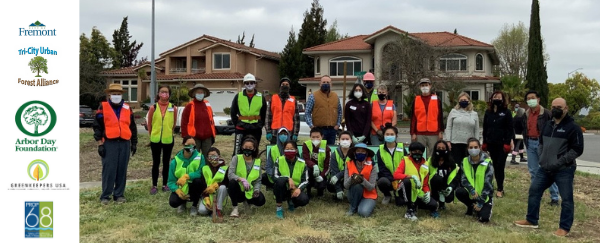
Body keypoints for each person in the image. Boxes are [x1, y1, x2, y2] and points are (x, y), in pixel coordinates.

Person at [514, 98, 584, 237]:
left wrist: (560, 161)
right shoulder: (547, 125)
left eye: (559, 106)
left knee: (566, 199)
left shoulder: (573, 128)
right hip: (545, 168)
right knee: (534, 191)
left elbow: (577, 149)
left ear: (566, 108)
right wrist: (541, 157)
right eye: (553, 107)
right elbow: (541, 143)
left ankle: (564, 228)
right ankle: (531, 220)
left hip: (564, 170)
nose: (555, 109)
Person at [93, 83, 138, 205]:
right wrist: (100, 144)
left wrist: (134, 143)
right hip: (109, 142)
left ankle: (119, 195)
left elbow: (132, 127)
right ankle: (105, 195)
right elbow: (97, 126)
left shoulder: (127, 108)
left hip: (124, 143)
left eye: (118, 94)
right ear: (109, 94)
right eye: (114, 94)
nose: (116, 96)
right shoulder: (103, 107)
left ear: (121, 95)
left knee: (122, 169)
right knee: (109, 170)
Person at [522, 90, 559, 205]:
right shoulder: (526, 114)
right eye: (528, 98)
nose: (530, 100)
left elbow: (553, 128)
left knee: (548, 170)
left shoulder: (546, 113)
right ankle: (536, 195)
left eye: (532, 97)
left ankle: (555, 197)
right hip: (530, 143)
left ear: (538, 99)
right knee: (533, 171)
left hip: (542, 144)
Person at [393, 142, 439, 220]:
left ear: (422, 152)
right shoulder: (405, 160)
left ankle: (416, 204)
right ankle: (410, 210)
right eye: (414, 151)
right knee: (406, 182)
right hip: (405, 189)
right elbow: (396, 175)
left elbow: (425, 183)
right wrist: (411, 176)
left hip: (418, 191)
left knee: (434, 204)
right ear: (410, 152)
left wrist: (427, 192)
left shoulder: (425, 164)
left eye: (419, 151)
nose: (417, 153)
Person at [482, 91, 514, 198]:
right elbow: (485, 128)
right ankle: (490, 186)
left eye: (499, 97)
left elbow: (510, 129)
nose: (497, 99)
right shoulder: (488, 112)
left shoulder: (506, 112)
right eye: (495, 97)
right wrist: (484, 142)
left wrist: (507, 142)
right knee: (493, 166)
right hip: (491, 143)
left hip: (502, 144)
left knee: (500, 166)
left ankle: (500, 188)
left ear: (503, 99)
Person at [456, 138, 494, 223]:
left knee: (484, 219)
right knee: (459, 192)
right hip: (472, 194)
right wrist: (471, 190)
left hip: (484, 195)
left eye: (476, 147)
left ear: (480, 147)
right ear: (467, 148)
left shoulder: (487, 161)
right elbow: (463, 179)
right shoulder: (464, 161)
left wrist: (481, 202)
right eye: (471, 147)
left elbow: (488, 184)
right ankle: (471, 207)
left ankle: (482, 206)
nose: (473, 149)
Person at [148, 86, 177, 195]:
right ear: (158, 93)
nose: (164, 94)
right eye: (162, 92)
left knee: (166, 163)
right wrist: (151, 135)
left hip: (168, 139)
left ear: (169, 94)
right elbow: (149, 123)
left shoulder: (173, 107)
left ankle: (165, 184)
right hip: (155, 139)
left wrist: (169, 132)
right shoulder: (153, 108)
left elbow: (173, 124)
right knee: (156, 162)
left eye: (166, 92)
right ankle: (154, 185)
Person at [227, 136, 266, 217]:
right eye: (246, 147)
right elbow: (230, 174)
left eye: (250, 147)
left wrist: (256, 190)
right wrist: (240, 179)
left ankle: (248, 202)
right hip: (239, 188)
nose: (247, 149)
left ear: (254, 149)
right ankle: (235, 208)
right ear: (242, 147)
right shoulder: (236, 158)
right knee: (232, 183)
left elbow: (258, 179)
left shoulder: (257, 161)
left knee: (261, 200)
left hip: (250, 190)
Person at [167, 137, 206, 216]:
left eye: (193, 145)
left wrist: (187, 176)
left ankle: (194, 205)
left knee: (198, 181)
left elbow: (200, 172)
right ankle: (182, 203)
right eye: (189, 145)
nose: (191, 147)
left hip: (194, 186)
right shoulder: (175, 161)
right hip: (181, 187)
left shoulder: (200, 157)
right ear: (183, 145)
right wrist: (177, 190)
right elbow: (170, 181)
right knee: (173, 202)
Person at [231, 73, 267, 155]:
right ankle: (237, 166)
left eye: (251, 82)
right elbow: (233, 112)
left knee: (254, 150)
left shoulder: (261, 97)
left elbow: (264, 113)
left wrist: (260, 125)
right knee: (238, 151)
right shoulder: (238, 96)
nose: (249, 85)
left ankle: (252, 166)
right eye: (247, 83)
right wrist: (237, 124)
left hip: (256, 127)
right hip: (241, 127)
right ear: (244, 84)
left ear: (255, 83)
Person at [273, 141, 310, 219]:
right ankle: (279, 208)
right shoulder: (279, 160)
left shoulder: (302, 163)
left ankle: (291, 202)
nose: (289, 151)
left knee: (304, 199)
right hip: (282, 188)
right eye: (287, 149)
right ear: (283, 150)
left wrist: (299, 189)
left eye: (292, 149)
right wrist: (287, 179)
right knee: (279, 181)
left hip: (295, 189)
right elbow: (275, 176)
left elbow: (306, 180)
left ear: (296, 150)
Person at [410, 78, 444, 159]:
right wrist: (413, 133)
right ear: (419, 87)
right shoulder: (416, 100)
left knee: (433, 155)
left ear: (430, 86)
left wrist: (441, 131)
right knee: (418, 153)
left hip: (434, 132)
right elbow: (413, 117)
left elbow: (440, 116)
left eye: (426, 85)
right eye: (422, 85)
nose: (424, 87)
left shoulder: (437, 99)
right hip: (419, 133)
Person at [444, 92, 479, 167]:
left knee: (468, 165)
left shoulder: (474, 114)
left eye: (465, 99)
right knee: (456, 165)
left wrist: (477, 143)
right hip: (455, 143)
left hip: (469, 144)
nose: (463, 101)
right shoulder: (453, 112)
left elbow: (476, 130)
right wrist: (448, 141)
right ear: (458, 101)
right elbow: (449, 127)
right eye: (461, 100)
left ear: (469, 101)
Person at [305, 75, 342, 145]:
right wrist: (311, 126)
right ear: (320, 84)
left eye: (328, 82)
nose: (326, 84)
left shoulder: (335, 96)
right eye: (324, 82)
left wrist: (337, 124)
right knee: (320, 150)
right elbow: (307, 112)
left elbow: (339, 111)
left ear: (331, 84)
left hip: (332, 130)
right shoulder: (313, 96)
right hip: (319, 130)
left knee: (330, 149)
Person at [181, 83, 216, 156]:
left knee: (207, 157)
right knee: (194, 157)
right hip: (194, 137)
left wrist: (213, 134)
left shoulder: (207, 104)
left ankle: (206, 168)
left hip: (207, 137)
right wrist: (186, 137)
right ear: (194, 94)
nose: (200, 94)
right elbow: (184, 122)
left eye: (201, 92)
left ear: (204, 94)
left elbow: (211, 120)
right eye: (198, 92)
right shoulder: (189, 106)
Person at [344, 143, 378, 217]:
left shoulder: (373, 166)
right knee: (357, 185)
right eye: (358, 151)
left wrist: (362, 180)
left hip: (369, 194)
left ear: (366, 154)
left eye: (363, 151)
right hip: (353, 193)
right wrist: (352, 177)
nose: (360, 153)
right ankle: (352, 208)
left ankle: (361, 205)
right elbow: (346, 186)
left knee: (364, 213)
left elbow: (371, 187)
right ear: (354, 153)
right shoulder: (348, 164)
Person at [198, 147, 229, 223]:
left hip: (219, 193)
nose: (212, 158)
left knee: (223, 187)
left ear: (219, 156)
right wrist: (206, 198)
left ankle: (218, 209)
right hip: (208, 195)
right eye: (210, 156)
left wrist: (217, 185)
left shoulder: (225, 168)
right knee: (202, 211)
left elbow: (227, 183)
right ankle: (210, 209)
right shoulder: (204, 168)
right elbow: (202, 185)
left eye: (214, 155)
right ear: (207, 158)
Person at [376, 125, 404, 205]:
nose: (389, 136)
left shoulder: (401, 148)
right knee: (382, 181)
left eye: (392, 134)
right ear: (384, 136)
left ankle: (398, 193)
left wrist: (399, 179)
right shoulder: (380, 150)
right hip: (388, 179)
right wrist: (393, 180)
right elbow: (382, 169)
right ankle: (387, 195)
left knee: (401, 203)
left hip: (400, 179)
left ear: (396, 136)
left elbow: (405, 165)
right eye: (387, 134)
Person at [266, 77, 300, 144]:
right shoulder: (273, 98)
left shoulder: (293, 100)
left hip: (289, 133)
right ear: (280, 86)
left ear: (289, 87)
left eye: (287, 84)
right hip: (274, 133)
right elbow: (268, 116)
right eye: (283, 84)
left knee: (288, 153)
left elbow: (296, 119)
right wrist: (268, 131)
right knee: (274, 153)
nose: (285, 86)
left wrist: (295, 133)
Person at [428, 140, 459, 210]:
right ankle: (436, 201)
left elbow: (455, 178)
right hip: (433, 187)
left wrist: (451, 187)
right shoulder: (430, 161)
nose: (441, 150)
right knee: (437, 179)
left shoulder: (452, 163)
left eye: (443, 148)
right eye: (439, 148)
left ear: (447, 150)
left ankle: (442, 202)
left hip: (446, 187)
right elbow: (425, 175)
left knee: (449, 197)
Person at [302, 127, 331, 197]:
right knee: (306, 171)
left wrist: (322, 176)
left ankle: (320, 191)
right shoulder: (306, 145)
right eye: (313, 137)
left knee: (321, 184)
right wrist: (313, 165)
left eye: (317, 137)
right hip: (310, 169)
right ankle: (308, 191)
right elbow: (306, 159)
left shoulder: (327, 148)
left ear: (322, 137)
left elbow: (328, 166)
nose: (315, 139)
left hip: (321, 171)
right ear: (310, 137)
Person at [328, 131, 353, 200]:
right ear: (339, 141)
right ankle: (339, 191)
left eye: (347, 139)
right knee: (330, 184)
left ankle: (351, 192)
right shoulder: (334, 154)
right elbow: (334, 172)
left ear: (351, 141)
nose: (345, 141)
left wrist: (338, 175)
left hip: (351, 178)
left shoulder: (354, 154)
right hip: (339, 178)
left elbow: (351, 170)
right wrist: (338, 189)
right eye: (342, 139)